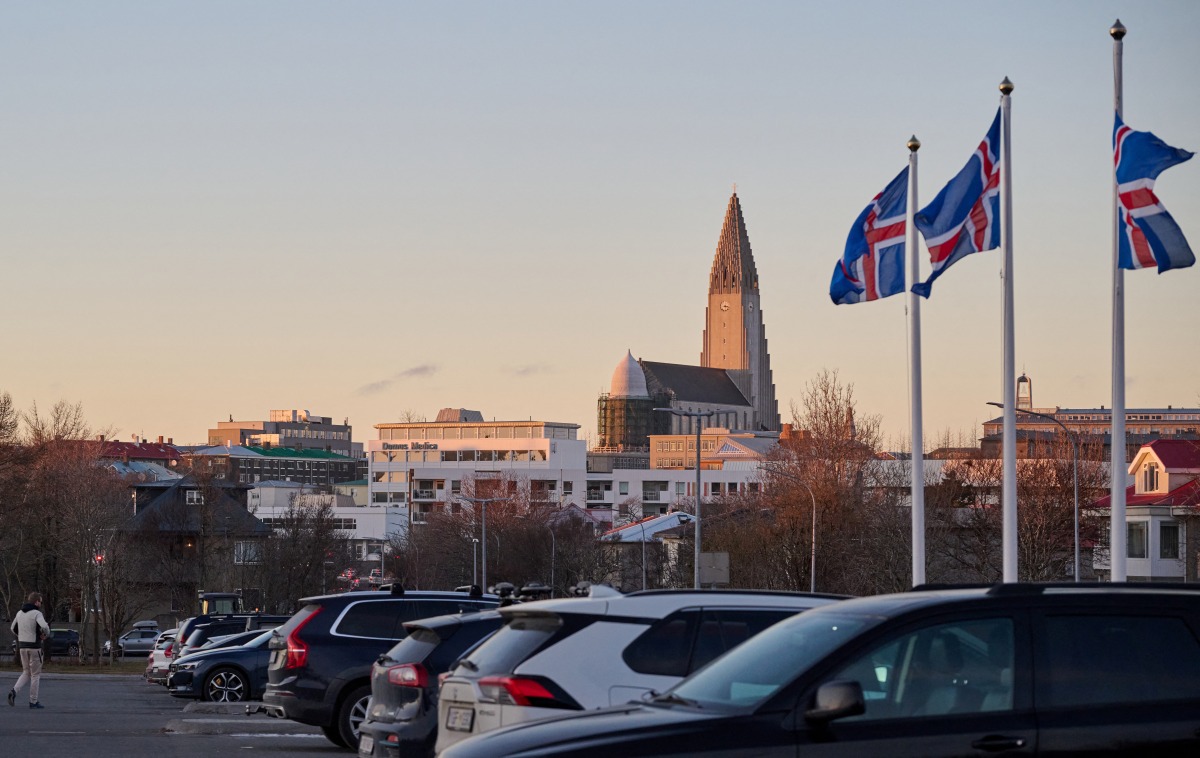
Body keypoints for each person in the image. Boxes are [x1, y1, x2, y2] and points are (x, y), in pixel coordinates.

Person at [9, 591, 50, 709]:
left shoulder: (19, 613)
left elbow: (12, 628)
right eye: (40, 602)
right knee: (35, 675)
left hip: (22, 646)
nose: (41, 604)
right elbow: (45, 627)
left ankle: (14, 691)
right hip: (34, 647)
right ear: (36, 602)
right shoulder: (37, 613)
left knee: (26, 672)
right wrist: (45, 635)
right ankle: (33, 701)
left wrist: (21, 636)